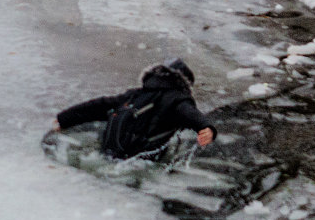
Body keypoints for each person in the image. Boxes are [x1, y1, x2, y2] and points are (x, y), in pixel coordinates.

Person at [53, 59, 216, 160]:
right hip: (141, 157)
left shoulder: (136, 94)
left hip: (111, 151)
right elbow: (189, 113)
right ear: (184, 84)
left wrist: (64, 118)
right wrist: (207, 128)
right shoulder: (177, 98)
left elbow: (100, 105)